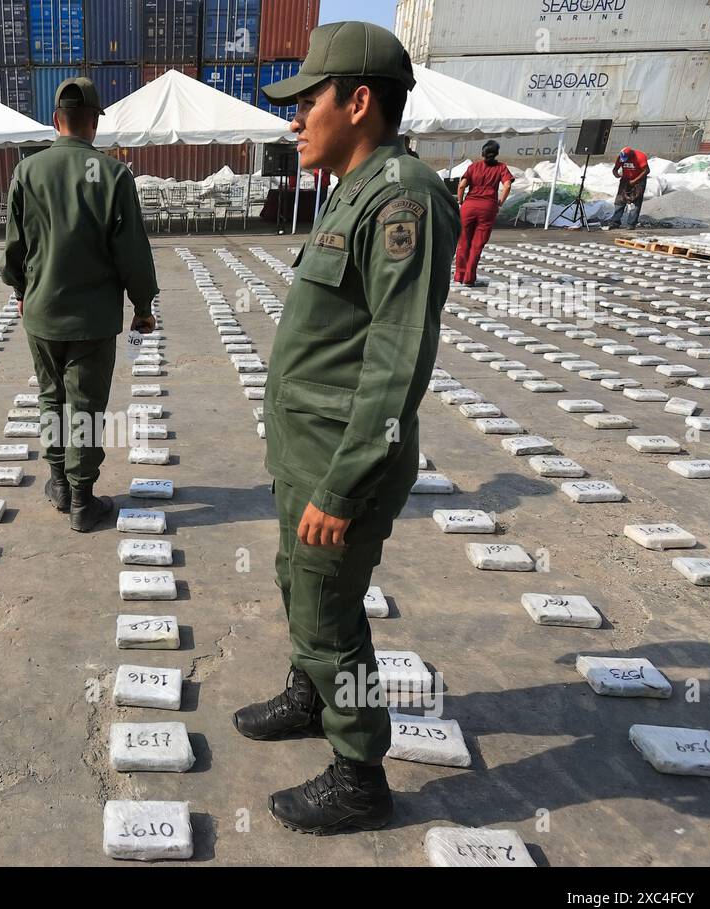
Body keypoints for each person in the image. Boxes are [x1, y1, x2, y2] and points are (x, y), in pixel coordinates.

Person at [237, 21, 459, 835]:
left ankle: (360, 772)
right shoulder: (358, 189)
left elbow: (396, 364)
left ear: (359, 101)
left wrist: (341, 485)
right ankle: (310, 693)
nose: (294, 121)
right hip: (307, 449)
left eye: (307, 102)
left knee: (333, 614)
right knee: (301, 588)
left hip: (342, 462)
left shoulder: (403, 199)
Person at [1, 77, 159, 533]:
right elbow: (132, 251)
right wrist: (142, 305)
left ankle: (57, 483)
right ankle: (82, 502)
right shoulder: (112, 175)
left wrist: (20, 292)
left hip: (41, 314)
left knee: (51, 399)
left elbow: (13, 248)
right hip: (92, 321)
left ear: (56, 121)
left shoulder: (27, 171)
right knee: (86, 407)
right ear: (93, 123)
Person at [454, 140, 513, 286]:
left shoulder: (473, 167)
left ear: (482, 153)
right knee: (477, 244)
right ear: (497, 153)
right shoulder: (501, 167)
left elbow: (462, 186)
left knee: (463, 241)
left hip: (469, 206)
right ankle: (469, 278)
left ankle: (459, 275)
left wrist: (461, 201)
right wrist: (501, 201)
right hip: (487, 207)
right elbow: (507, 185)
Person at [607, 145, 649, 229]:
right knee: (619, 201)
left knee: (636, 202)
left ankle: (631, 223)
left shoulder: (640, 157)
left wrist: (635, 181)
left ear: (631, 155)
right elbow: (615, 169)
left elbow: (646, 170)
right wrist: (616, 174)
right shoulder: (621, 157)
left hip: (638, 181)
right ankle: (615, 221)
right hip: (625, 180)